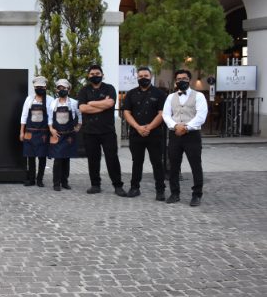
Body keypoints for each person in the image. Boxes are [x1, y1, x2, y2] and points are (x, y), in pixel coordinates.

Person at [77, 65, 127, 197]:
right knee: (93, 160)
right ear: (88, 76)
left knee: (112, 159)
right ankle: (95, 185)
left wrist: (91, 103)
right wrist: (101, 105)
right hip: (89, 131)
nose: (95, 75)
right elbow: (82, 108)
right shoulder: (83, 90)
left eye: (97, 73)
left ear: (102, 75)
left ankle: (117, 185)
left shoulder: (109, 88)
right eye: (92, 73)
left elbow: (110, 104)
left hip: (107, 131)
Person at [162, 69, 208, 206]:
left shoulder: (199, 96)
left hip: (192, 135)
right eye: (179, 79)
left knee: (196, 165)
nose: (181, 81)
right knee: (173, 166)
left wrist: (186, 127)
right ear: (176, 81)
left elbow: (201, 116)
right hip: (175, 135)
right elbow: (165, 115)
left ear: (190, 80)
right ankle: (174, 193)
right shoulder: (170, 97)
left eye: (184, 78)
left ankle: (197, 194)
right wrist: (176, 126)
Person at [122, 66, 168, 201]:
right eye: (140, 76)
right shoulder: (130, 94)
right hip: (136, 134)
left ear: (151, 77)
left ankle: (160, 190)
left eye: (146, 76)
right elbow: (126, 112)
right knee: (137, 162)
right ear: (137, 77)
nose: (143, 78)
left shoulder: (160, 94)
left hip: (155, 134)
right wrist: (138, 127)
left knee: (157, 162)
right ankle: (134, 188)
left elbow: (162, 113)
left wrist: (148, 127)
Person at [19, 76, 53, 187]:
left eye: (42, 87)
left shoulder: (50, 100)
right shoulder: (29, 99)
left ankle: (40, 179)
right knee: (31, 157)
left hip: (43, 132)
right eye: (38, 87)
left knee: (42, 157)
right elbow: (24, 116)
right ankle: (32, 179)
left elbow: (52, 117)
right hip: (29, 132)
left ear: (46, 87)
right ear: (34, 87)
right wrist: (21, 132)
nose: (40, 88)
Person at [47, 79, 81, 191]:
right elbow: (50, 118)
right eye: (60, 88)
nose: (62, 90)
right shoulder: (53, 103)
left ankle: (65, 182)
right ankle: (56, 183)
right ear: (57, 90)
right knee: (58, 160)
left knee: (66, 159)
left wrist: (78, 126)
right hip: (57, 135)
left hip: (69, 135)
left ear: (68, 90)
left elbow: (79, 115)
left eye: (64, 88)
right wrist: (51, 129)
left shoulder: (74, 103)